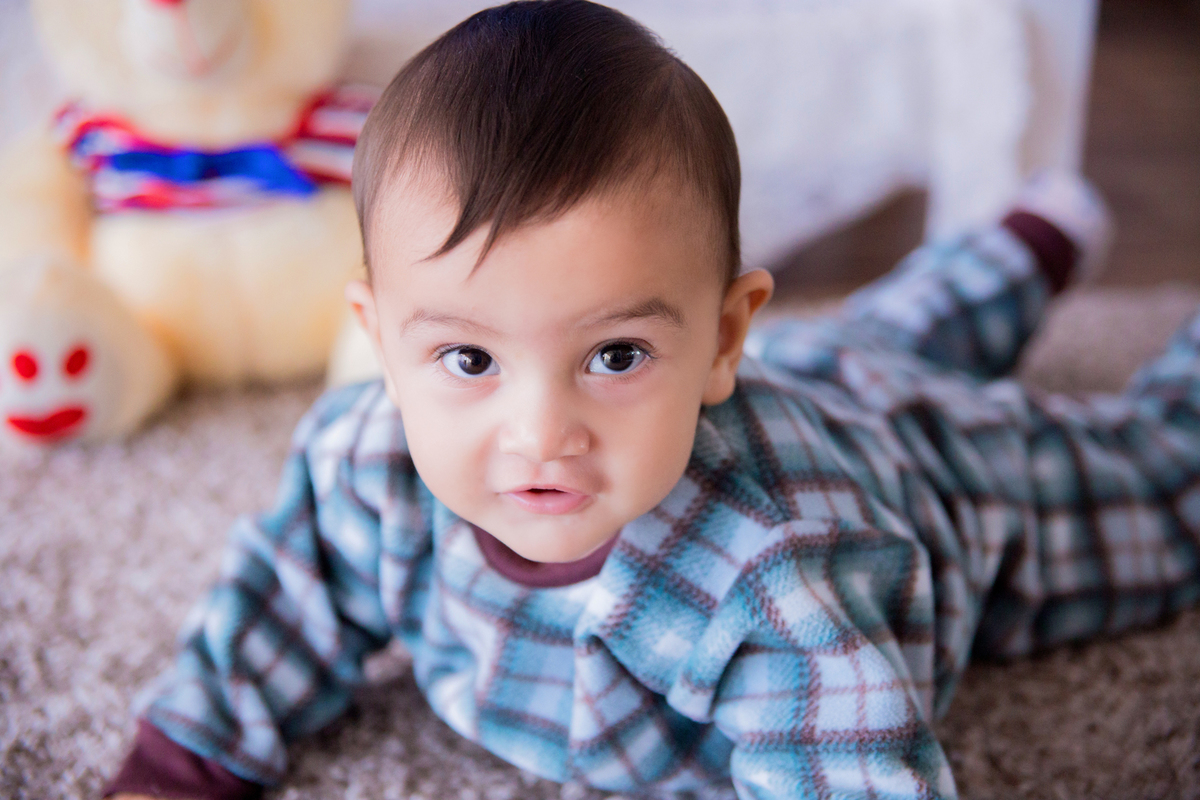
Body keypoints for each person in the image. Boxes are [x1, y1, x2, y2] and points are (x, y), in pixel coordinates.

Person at [103, 1, 1200, 798]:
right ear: (380, 338)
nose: (541, 431)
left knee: (1161, 474)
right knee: (871, 336)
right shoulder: (362, 464)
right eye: (470, 360)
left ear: (727, 335)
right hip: (799, 372)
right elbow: (277, 607)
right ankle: (1026, 241)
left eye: (615, 354)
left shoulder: (780, 571)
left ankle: (1026, 253)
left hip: (927, 478)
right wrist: (180, 762)